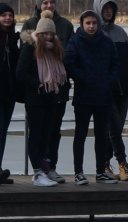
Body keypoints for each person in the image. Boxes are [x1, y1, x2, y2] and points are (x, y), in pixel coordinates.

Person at [21, 0, 73, 184]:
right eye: (45, 33)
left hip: (53, 97)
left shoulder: (56, 48)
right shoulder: (30, 47)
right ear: (39, 32)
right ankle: (37, 172)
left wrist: (61, 86)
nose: (48, 36)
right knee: (36, 134)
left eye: (51, 33)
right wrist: (38, 84)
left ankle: (47, 168)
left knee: (49, 134)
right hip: (36, 98)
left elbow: (64, 68)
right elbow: (22, 72)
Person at [64, 10, 117, 185]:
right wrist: (85, 79)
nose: (92, 26)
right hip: (84, 95)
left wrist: (108, 81)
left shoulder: (107, 42)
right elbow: (69, 64)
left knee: (102, 135)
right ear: (82, 24)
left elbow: (115, 65)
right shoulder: (75, 41)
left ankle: (101, 171)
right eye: (88, 23)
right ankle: (78, 172)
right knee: (80, 134)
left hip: (103, 96)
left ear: (98, 24)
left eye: (94, 23)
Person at [94, 0, 128, 182]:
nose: (108, 11)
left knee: (114, 129)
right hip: (104, 90)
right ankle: (122, 163)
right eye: (105, 8)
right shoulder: (93, 32)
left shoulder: (120, 32)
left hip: (123, 90)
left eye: (111, 8)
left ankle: (104, 163)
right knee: (114, 129)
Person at [0, 3, 20, 185]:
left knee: (3, 132)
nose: (7, 18)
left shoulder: (13, 38)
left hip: (9, 93)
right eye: (4, 15)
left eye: (10, 15)